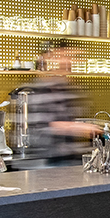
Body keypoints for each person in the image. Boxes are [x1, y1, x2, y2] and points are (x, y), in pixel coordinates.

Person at [12, 40, 99, 168]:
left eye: (73, 57)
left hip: (66, 160)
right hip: (45, 162)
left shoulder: (70, 88)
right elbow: (49, 125)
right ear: (54, 57)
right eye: (65, 56)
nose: (68, 61)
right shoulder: (41, 87)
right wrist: (82, 128)